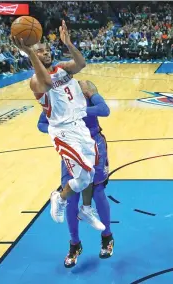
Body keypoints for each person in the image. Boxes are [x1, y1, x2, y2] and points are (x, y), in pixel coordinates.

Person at [12, 20, 104, 231]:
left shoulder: (62, 68)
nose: (46, 53)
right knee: (82, 177)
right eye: (40, 51)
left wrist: (69, 44)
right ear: (33, 56)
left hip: (79, 126)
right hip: (63, 132)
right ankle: (60, 198)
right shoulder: (36, 80)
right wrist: (30, 52)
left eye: (47, 50)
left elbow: (81, 64)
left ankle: (85, 209)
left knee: (87, 177)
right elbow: (46, 83)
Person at [38, 80, 114, 268]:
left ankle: (107, 236)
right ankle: (74, 244)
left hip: (94, 143)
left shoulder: (85, 87)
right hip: (70, 145)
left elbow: (104, 110)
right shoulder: (56, 99)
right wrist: (56, 126)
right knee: (72, 198)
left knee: (97, 192)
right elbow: (41, 123)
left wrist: (78, 112)